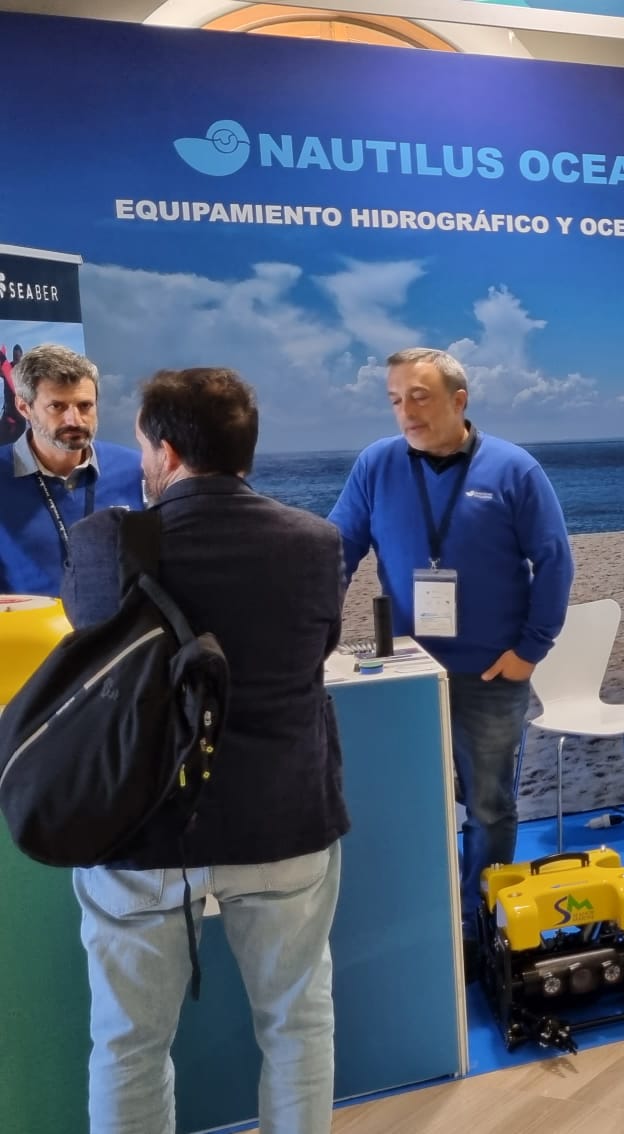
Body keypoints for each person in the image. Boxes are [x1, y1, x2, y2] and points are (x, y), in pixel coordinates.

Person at [62, 368, 347, 1134]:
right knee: (297, 1024)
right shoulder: (317, 544)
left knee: (129, 1044)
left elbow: (89, 660)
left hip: (145, 828)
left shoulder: (105, 544)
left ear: (165, 451)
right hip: (284, 819)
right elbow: (317, 652)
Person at [329, 346, 573, 952]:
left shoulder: (514, 469)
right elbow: (337, 552)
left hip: (491, 676)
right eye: (395, 400)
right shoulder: (376, 465)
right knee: (414, 802)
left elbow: (555, 562)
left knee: (488, 806)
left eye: (419, 397)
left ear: (459, 400)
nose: (406, 412)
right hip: (406, 676)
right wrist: (315, 628)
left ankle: (480, 923)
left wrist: (530, 650)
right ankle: (425, 919)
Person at [0, 345, 144, 596]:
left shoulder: (136, 470)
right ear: (24, 408)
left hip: (124, 620)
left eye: (85, 406)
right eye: (57, 406)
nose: (74, 420)